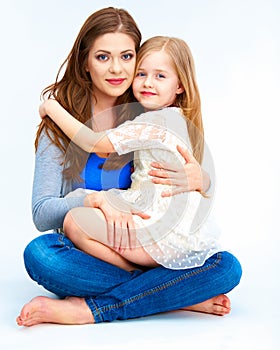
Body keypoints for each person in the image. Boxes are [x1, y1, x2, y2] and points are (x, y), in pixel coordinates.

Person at [16, 7, 242, 327]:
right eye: (103, 57)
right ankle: (174, 294)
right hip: (92, 251)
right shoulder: (59, 129)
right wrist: (91, 199)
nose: (116, 69)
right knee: (42, 255)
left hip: (146, 244)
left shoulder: (145, 114)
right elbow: (42, 213)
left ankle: (95, 308)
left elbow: (192, 173)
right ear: (85, 62)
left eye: (126, 56)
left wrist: (200, 178)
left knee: (227, 266)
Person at [38, 36, 222, 273]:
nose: (148, 83)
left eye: (160, 76)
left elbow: (95, 143)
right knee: (44, 251)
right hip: (170, 226)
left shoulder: (154, 120)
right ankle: (162, 285)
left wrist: (52, 107)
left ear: (180, 86)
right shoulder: (172, 118)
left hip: (160, 227)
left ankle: (137, 280)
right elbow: (42, 213)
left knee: (75, 223)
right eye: (142, 74)